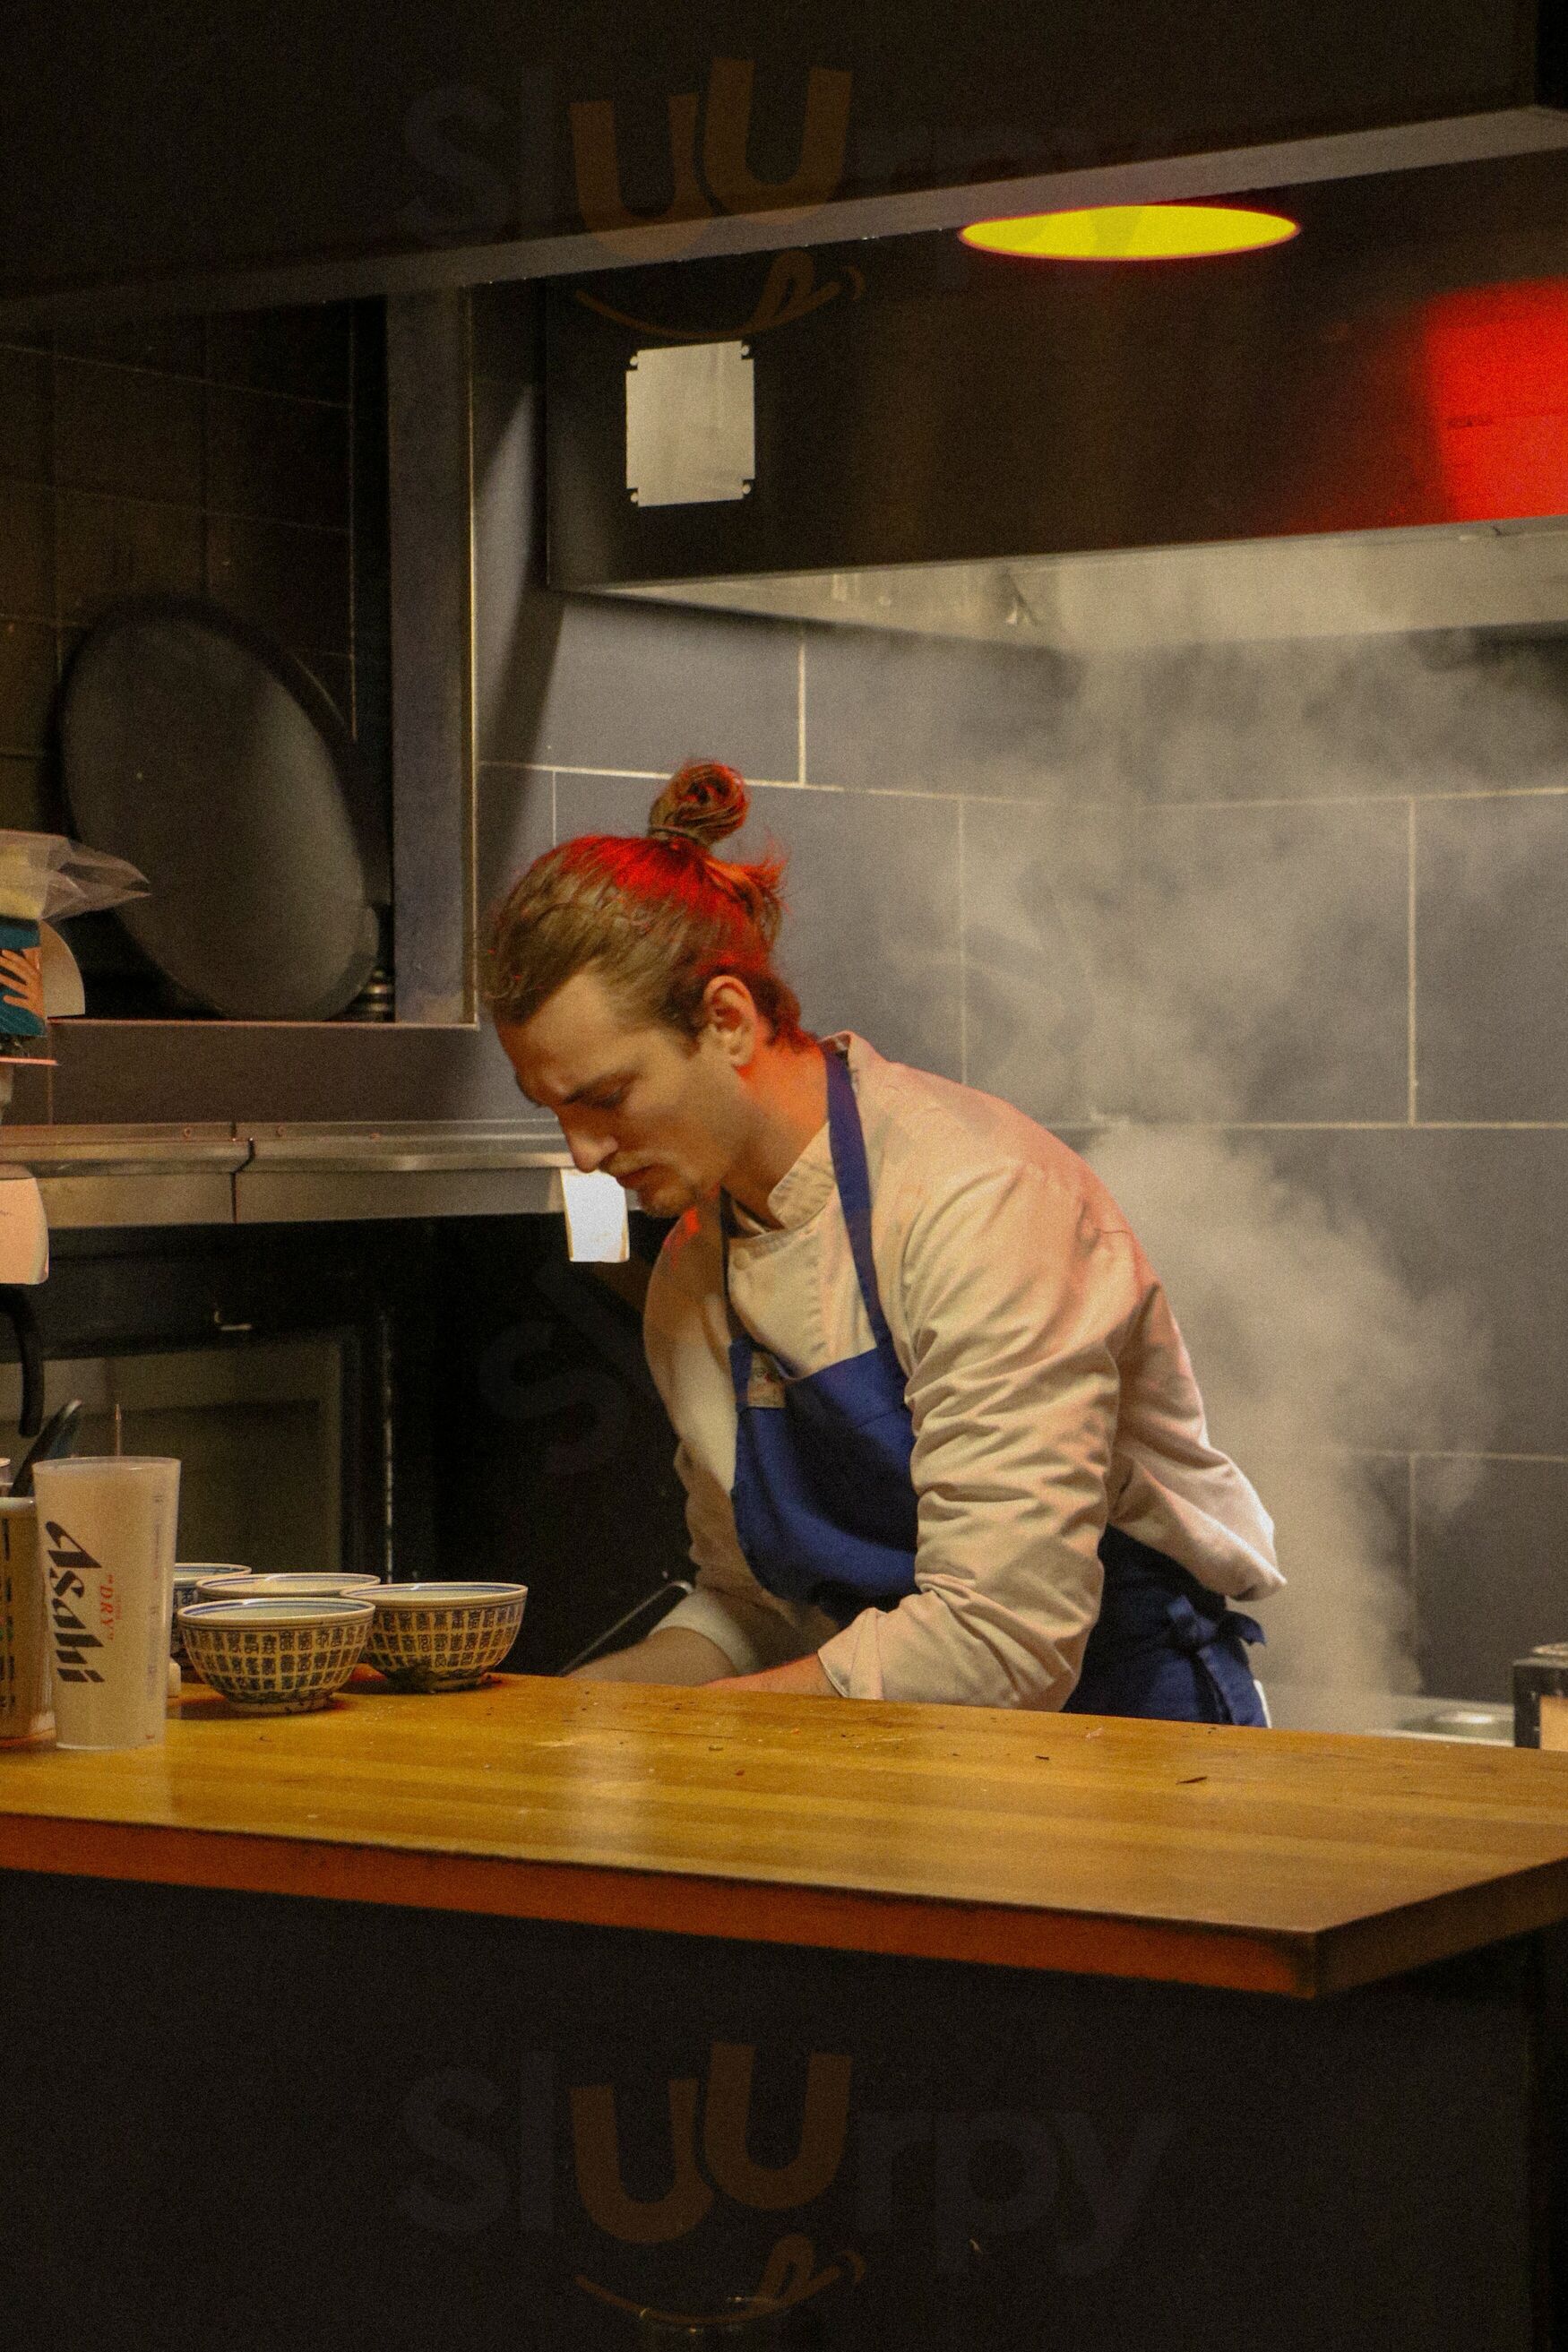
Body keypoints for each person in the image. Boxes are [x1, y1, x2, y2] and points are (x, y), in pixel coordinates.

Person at [486, 760, 1282, 1716]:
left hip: (1132, 1737)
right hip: (897, 1743)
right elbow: (759, 1608)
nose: (583, 1152)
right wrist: (571, 1716)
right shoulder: (692, 1277)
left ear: (727, 1020)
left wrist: (705, 1730)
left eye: (608, 1097)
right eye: (555, 1112)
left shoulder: (976, 1205)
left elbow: (1004, 1641)